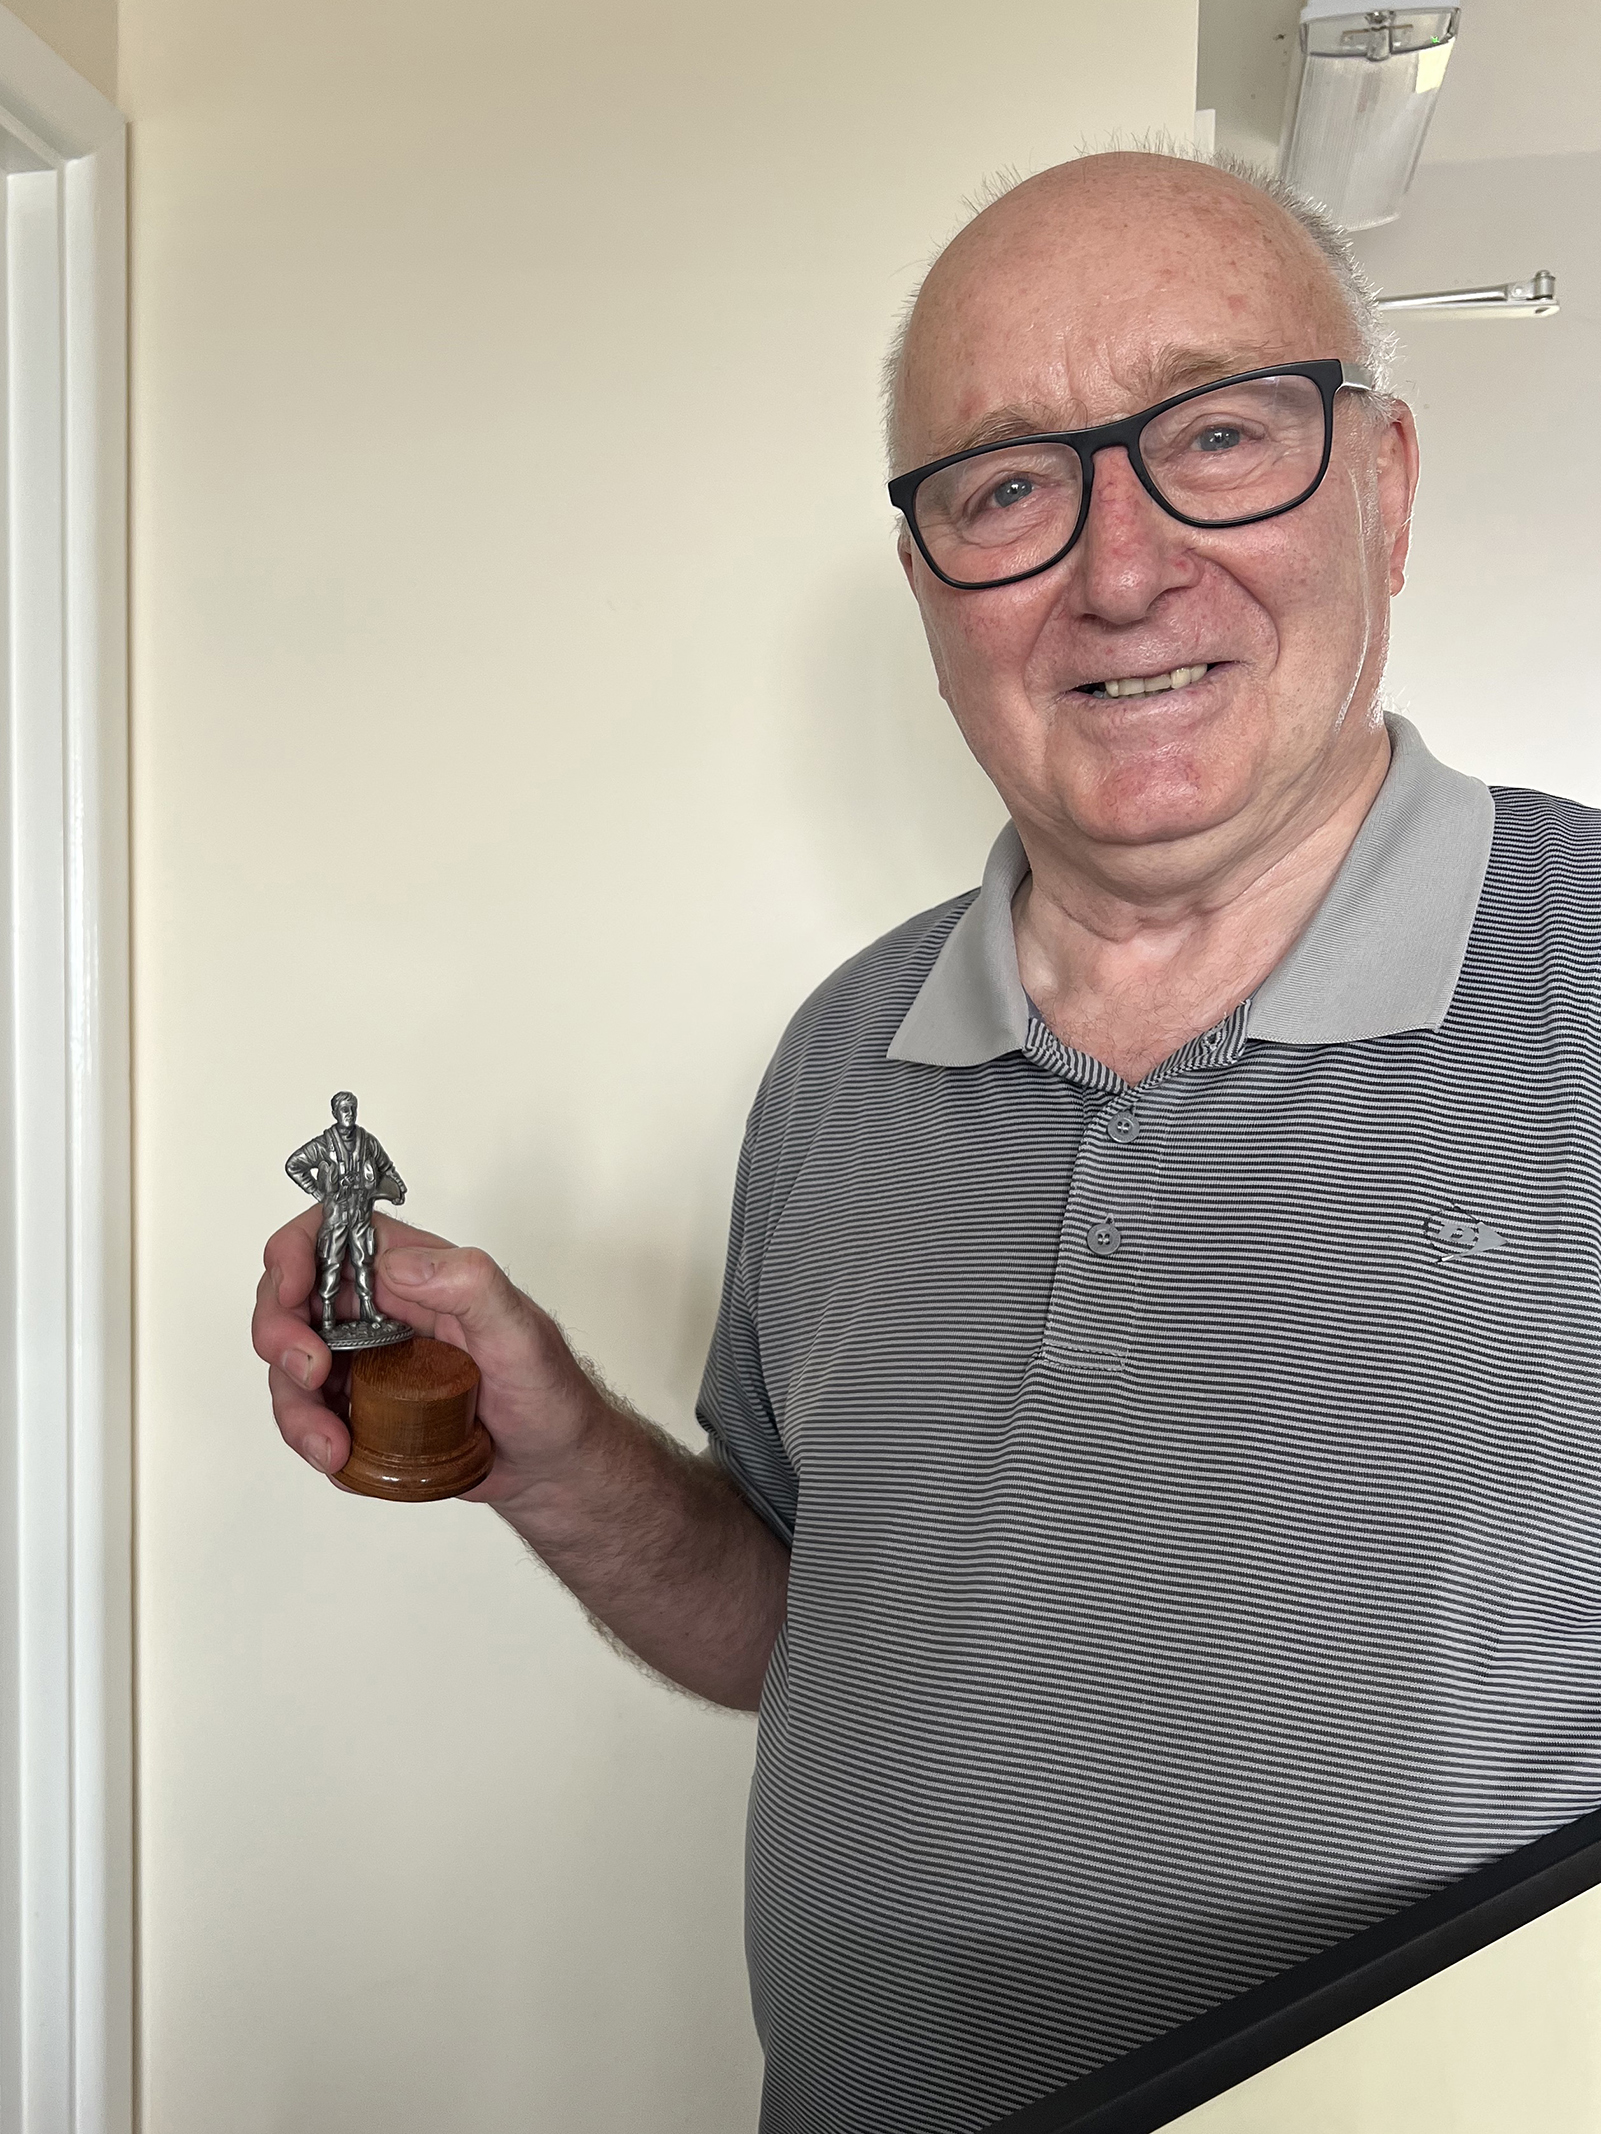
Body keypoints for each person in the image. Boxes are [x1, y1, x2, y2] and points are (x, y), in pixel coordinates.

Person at [253, 149, 1601, 2134]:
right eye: (1004, 486)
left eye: (1216, 433)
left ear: (1381, 488)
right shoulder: (838, 1058)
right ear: (926, 582)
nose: (1119, 568)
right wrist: (549, 1447)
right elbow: (800, 1621)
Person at [283, 1091, 407, 1337]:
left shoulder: (367, 1142)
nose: (349, 1113)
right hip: (336, 1213)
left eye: (352, 1108)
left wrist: (398, 1189)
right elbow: (294, 1165)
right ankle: (327, 1313)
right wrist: (317, 1192)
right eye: (344, 1109)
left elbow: (386, 1168)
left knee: (364, 1261)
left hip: (361, 1210)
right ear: (335, 1113)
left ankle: (367, 1308)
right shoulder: (324, 1145)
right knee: (332, 1261)